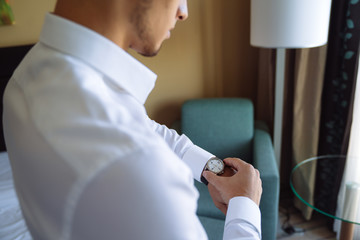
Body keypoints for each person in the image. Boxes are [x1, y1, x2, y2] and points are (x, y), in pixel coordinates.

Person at [3, 0, 263, 239]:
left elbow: (147, 128)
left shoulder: (28, 74)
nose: (184, 12)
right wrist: (245, 206)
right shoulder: (139, 167)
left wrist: (213, 168)